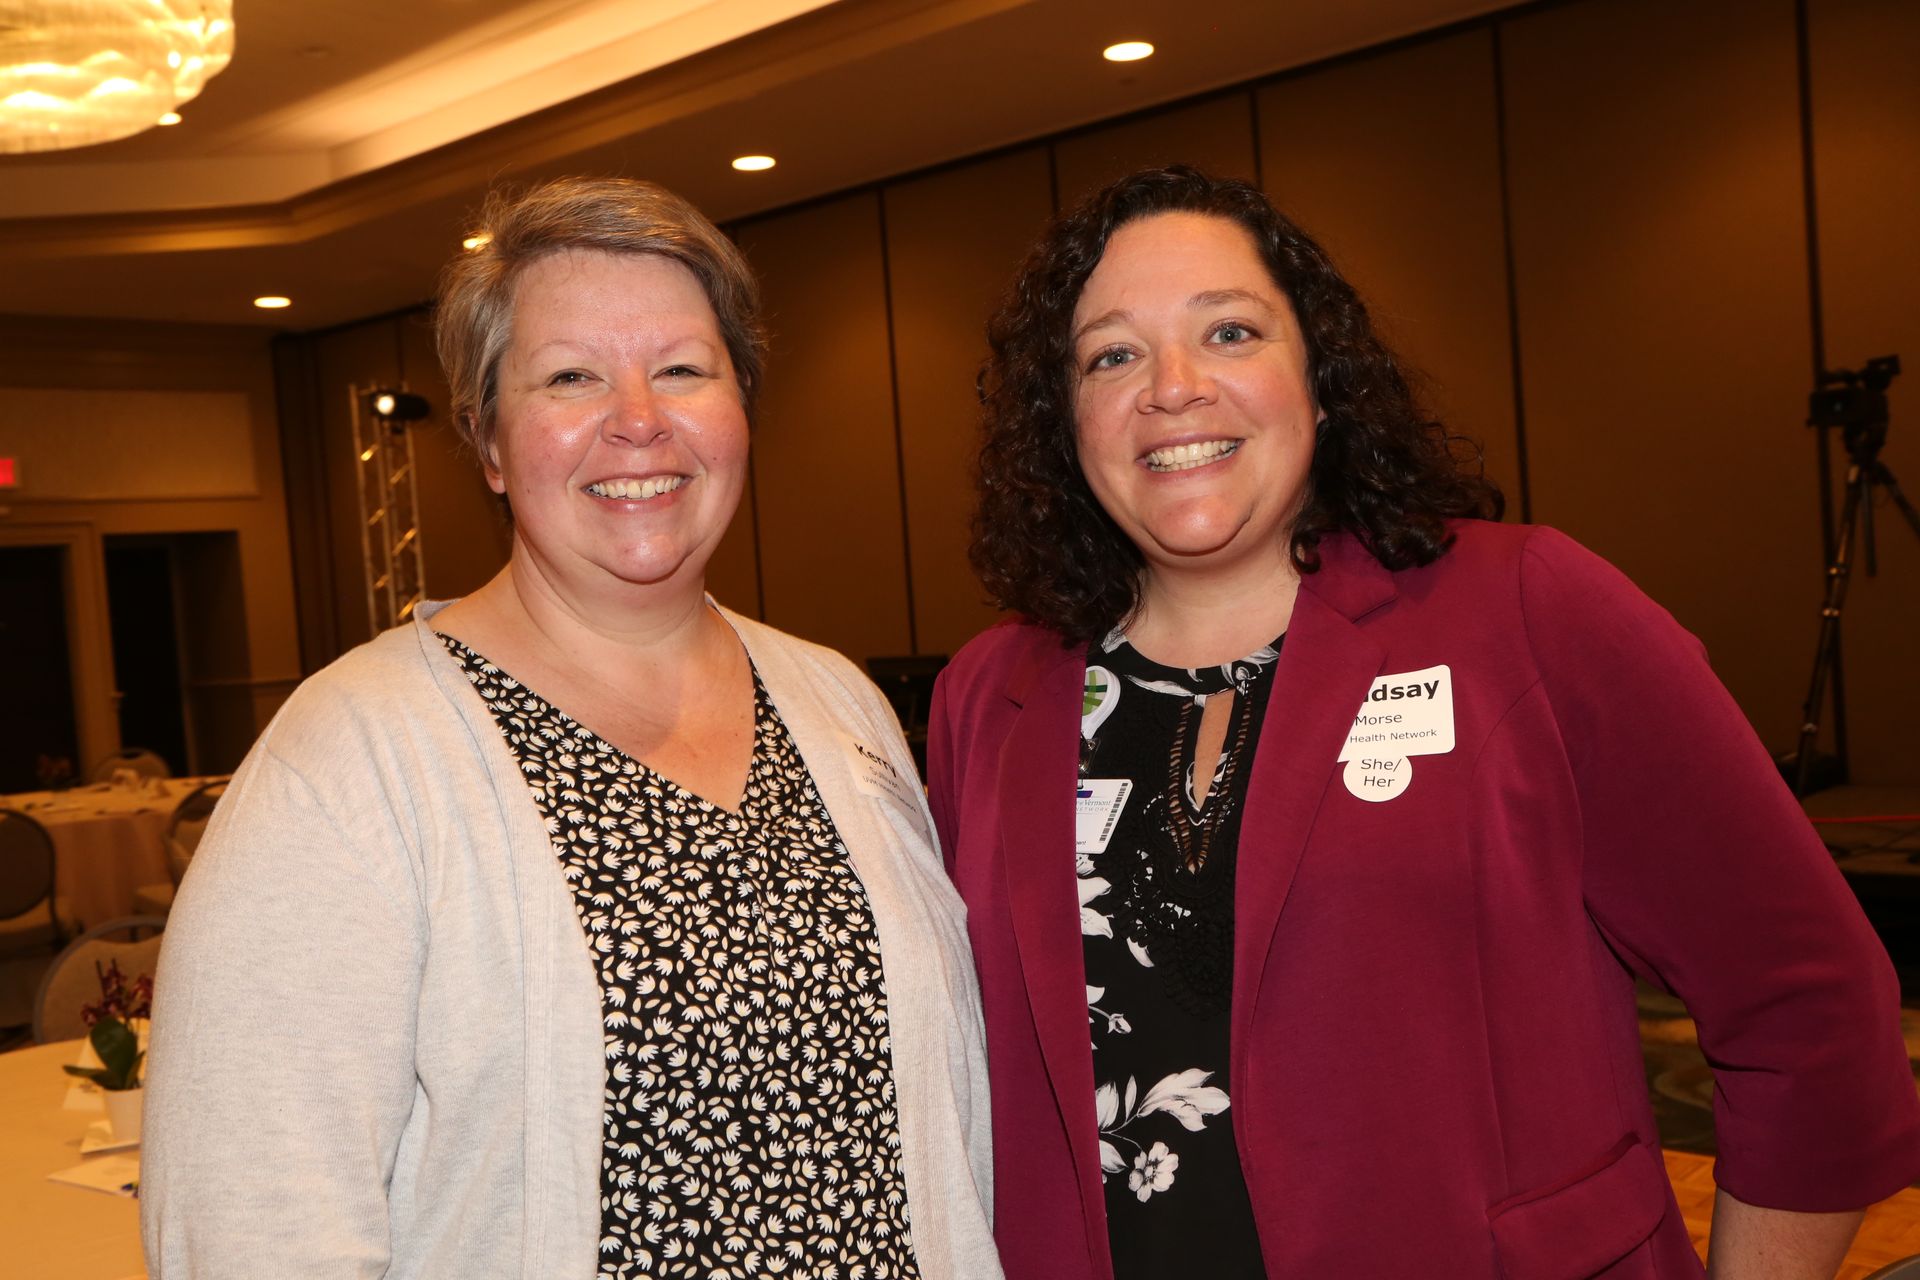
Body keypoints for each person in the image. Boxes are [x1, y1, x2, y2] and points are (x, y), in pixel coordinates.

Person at [926, 165, 1920, 1280]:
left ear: (1320, 379)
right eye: (1111, 355)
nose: (1173, 387)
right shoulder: (989, 697)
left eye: (1230, 332)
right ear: (1064, 422)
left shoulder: (1528, 611)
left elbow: (1805, 1001)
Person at [142, 177, 1000, 1280]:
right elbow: (249, 1226)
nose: (638, 417)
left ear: (742, 410)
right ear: (490, 443)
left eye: (683, 369)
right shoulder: (351, 758)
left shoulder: (837, 703)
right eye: (570, 377)